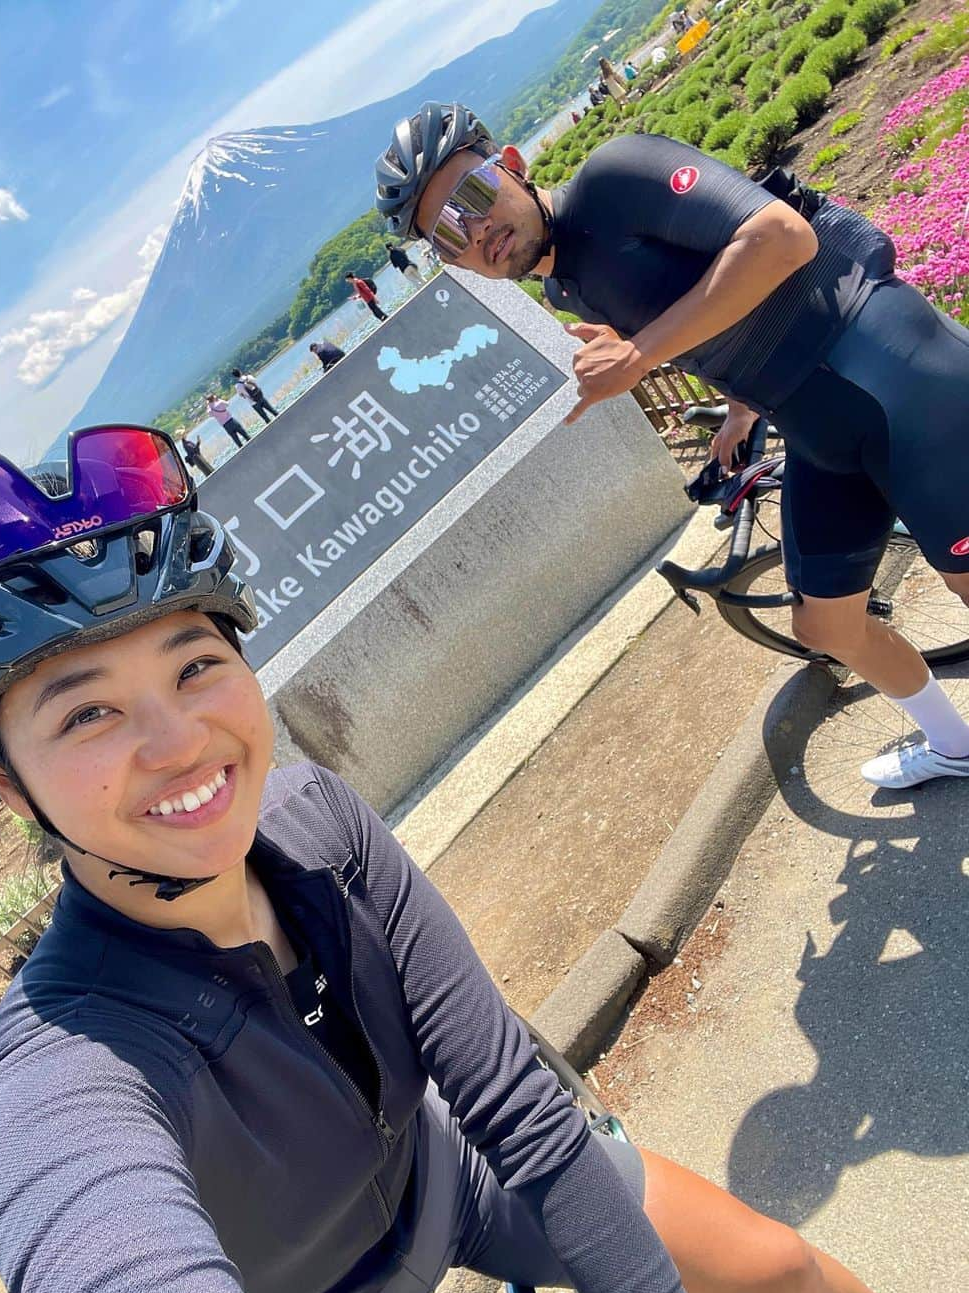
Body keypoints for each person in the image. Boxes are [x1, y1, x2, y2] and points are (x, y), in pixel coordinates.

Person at [0, 431, 934, 1293]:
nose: (177, 743)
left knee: (783, 1273)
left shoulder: (319, 823)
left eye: (194, 666)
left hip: (452, 1179)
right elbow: (109, 1282)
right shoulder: (64, 1072)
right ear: (7, 788)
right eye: (86, 717)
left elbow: (517, 1108)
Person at [375, 101, 969, 790]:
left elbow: (781, 240)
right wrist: (738, 411)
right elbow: (710, 316)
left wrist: (636, 357)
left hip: (894, 371)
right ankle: (954, 741)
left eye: (472, 194)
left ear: (511, 164)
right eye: (447, 235)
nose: (475, 229)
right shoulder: (566, 284)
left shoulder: (615, 177)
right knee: (827, 625)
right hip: (818, 428)